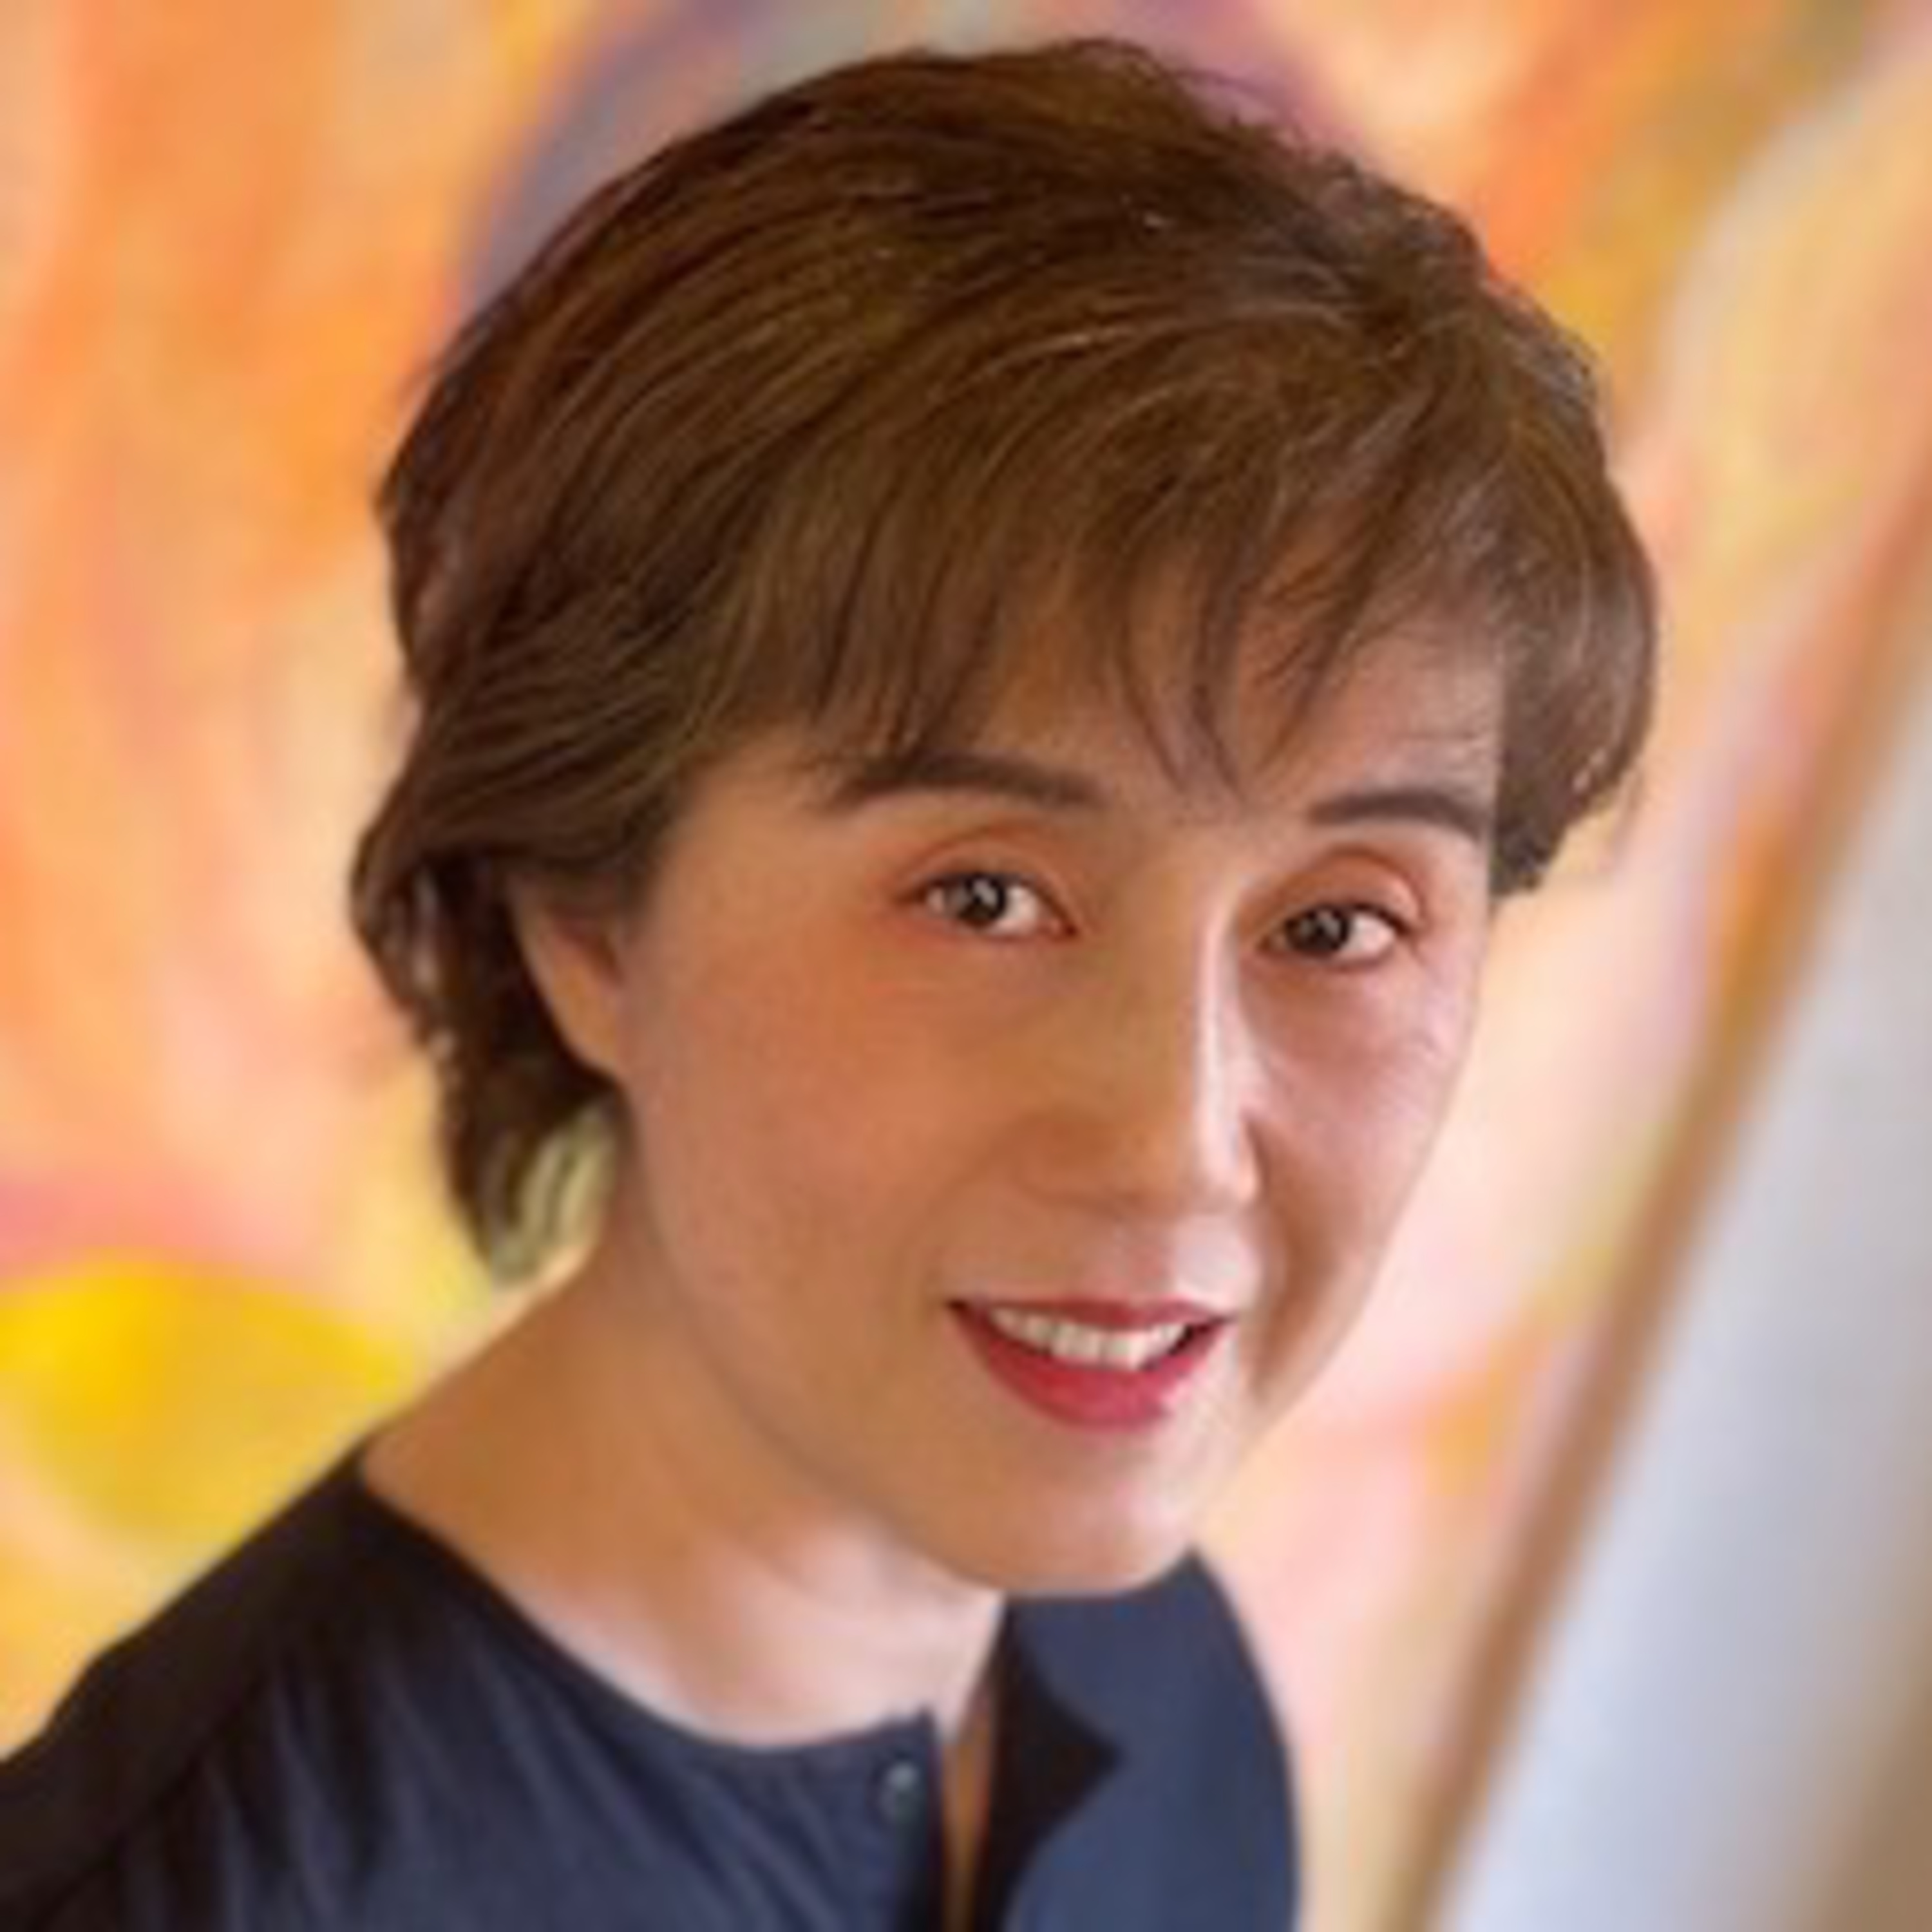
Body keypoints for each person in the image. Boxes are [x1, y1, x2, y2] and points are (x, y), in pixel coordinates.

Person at [0, 35, 1655, 1931]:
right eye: (985, 896)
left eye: (1339, 926)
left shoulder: (1162, 1702)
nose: (1179, 1142)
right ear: (589, 917)